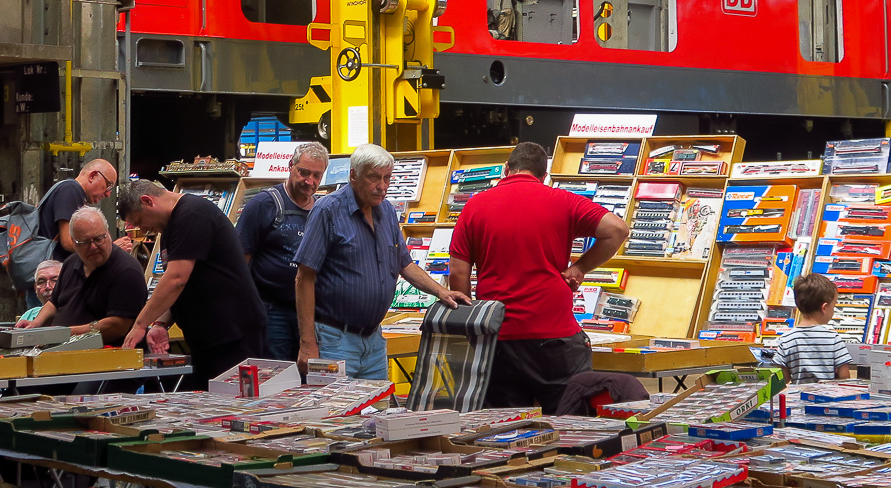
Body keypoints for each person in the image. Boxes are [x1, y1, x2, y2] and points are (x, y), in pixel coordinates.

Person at [448, 141, 627, 412]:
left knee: (504, 425)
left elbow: (458, 272)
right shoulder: (563, 201)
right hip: (555, 335)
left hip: (498, 336)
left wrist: (472, 326)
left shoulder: (474, 206)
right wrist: (580, 267)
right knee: (570, 421)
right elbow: (617, 229)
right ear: (544, 175)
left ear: (506, 169)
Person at [295, 144, 469, 380]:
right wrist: (307, 343)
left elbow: (405, 264)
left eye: (387, 178)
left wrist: (441, 291)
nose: (382, 186)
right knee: (334, 404)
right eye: (374, 178)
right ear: (354, 175)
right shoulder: (328, 210)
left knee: (378, 403)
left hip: (374, 340)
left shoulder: (386, 210)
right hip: (334, 340)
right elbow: (304, 278)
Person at [117, 179, 264, 387]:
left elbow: (177, 279)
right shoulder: (169, 227)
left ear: (147, 201)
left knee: (233, 399)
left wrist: (140, 324)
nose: (144, 229)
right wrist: (160, 323)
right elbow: (178, 287)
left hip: (233, 335)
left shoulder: (192, 215)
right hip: (207, 337)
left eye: (140, 221)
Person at [237, 142, 329, 362]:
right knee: (277, 374)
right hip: (272, 312)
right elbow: (239, 263)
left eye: (317, 175)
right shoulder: (264, 204)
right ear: (290, 166)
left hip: (311, 312)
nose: (310, 181)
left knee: (309, 375)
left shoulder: (323, 209)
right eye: (304, 172)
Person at [18, 208, 147, 342]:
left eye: (98, 239)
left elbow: (118, 326)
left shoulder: (127, 271)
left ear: (107, 233)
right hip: (62, 345)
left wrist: (64, 332)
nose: (93, 247)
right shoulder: (71, 263)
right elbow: (54, 302)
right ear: (73, 242)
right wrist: (35, 323)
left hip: (103, 350)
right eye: (84, 242)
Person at [772, 273, 852, 384]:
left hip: (798, 395)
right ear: (824, 308)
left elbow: (783, 378)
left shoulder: (786, 339)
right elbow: (844, 377)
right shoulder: (833, 339)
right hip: (827, 395)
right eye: (834, 306)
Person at [38, 158, 120, 262]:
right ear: (92, 176)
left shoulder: (74, 192)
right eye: (108, 186)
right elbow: (68, 242)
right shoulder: (71, 189)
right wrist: (107, 248)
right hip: (53, 267)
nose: (108, 194)